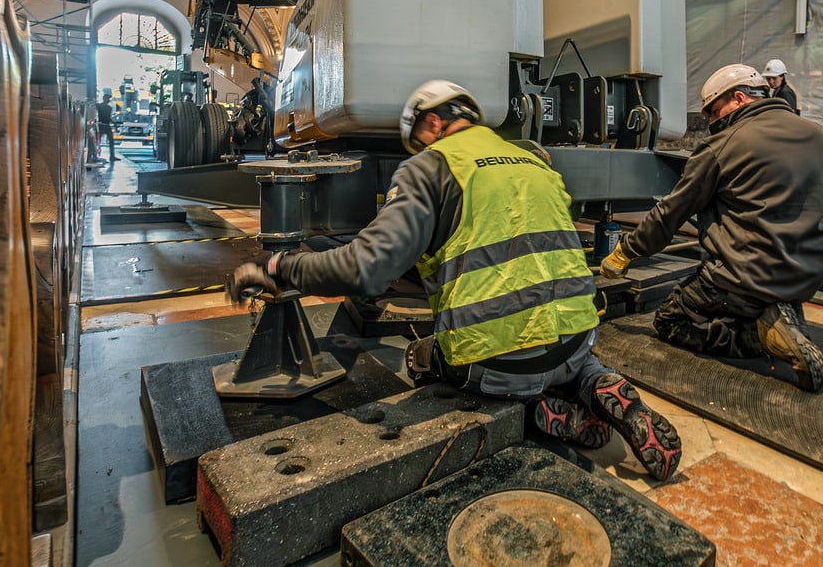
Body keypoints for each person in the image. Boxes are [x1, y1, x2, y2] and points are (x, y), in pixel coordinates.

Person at [228, 80, 682, 480]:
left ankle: (537, 412)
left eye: (417, 141)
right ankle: (596, 383)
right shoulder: (535, 162)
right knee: (565, 355)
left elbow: (367, 268)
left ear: (429, 123)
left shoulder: (429, 168)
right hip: (579, 339)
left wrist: (279, 268)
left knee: (422, 358)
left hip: (500, 362)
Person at [601, 64, 823, 391]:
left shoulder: (724, 145)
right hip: (808, 269)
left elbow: (672, 212)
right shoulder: (817, 136)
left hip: (742, 272)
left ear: (738, 98)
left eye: (713, 111)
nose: (711, 121)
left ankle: (756, 337)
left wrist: (627, 250)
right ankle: (775, 311)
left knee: (670, 321)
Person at [96, 93, 116, 162]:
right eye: (108, 98)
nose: (109, 100)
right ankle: (112, 156)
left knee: (99, 141)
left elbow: (107, 117)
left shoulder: (99, 106)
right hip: (105, 125)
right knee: (109, 141)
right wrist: (114, 123)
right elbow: (108, 117)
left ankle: (111, 156)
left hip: (103, 125)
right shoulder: (108, 108)